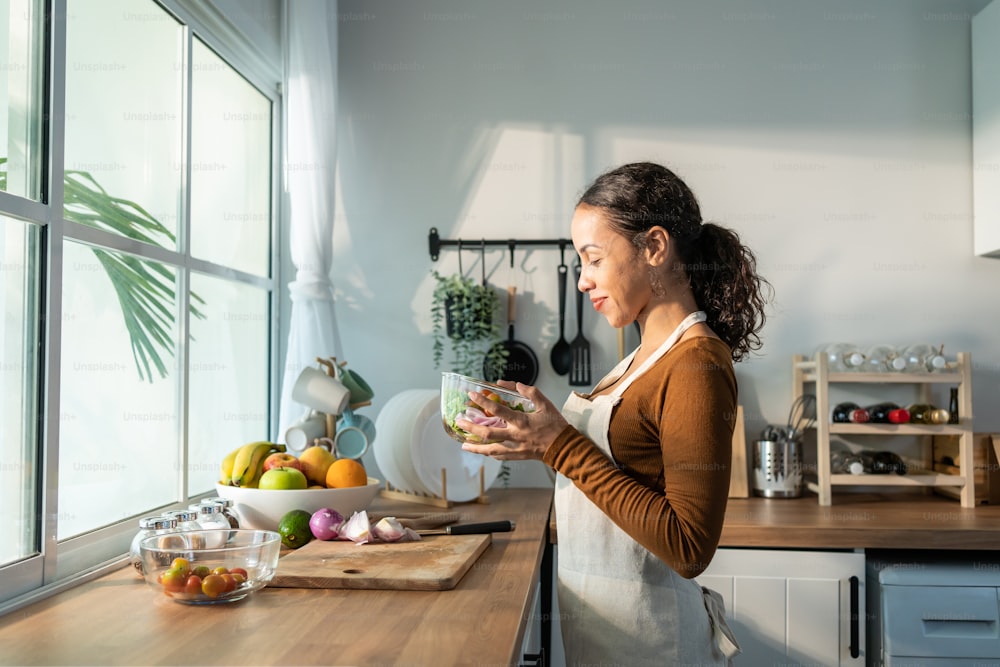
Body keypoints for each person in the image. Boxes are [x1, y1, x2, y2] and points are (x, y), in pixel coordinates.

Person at [457, 161, 770, 666]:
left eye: (594, 259)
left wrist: (558, 446)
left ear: (654, 248)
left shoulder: (696, 364)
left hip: (656, 645)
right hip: (610, 636)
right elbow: (616, 471)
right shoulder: (643, 356)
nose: (584, 281)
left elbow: (689, 546)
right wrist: (531, 436)